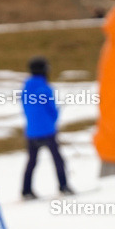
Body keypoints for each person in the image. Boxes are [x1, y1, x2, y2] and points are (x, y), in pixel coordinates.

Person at [21, 56, 73, 200]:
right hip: (48, 131)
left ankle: (26, 191)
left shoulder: (25, 89)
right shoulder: (46, 89)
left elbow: (25, 109)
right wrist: (53, 120)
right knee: (58, 159)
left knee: (31, 162)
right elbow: (52, 111)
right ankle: (64, 186)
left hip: (31, 132)